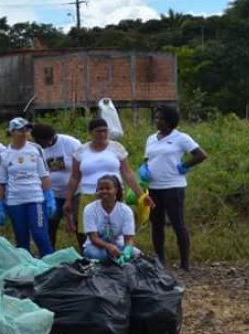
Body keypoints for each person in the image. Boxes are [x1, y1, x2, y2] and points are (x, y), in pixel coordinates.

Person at [63, 117, 152, 243]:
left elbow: (127, 174)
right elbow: (74, 177)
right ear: (90, 133)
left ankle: (118, 255)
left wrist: (141, 195)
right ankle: (90, 257)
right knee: (89, 232)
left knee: (115, 230)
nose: (103, 134)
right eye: (99, 131)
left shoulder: (116, 148)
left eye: (105, 131)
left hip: (114, 195)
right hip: (89, 195)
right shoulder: (81, 151)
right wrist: (68, 200)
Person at [141, 104, 206, 271]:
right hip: (154, 186)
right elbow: (147, 159)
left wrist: (184, 166)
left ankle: (185, 263)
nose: (158, 121)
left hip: (173, 186)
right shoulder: (151, 138)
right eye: (156, 118)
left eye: (161, 118)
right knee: (156, 224)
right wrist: (145, 169)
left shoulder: (181, 138)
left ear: (170, 121)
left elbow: (200, 155)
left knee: (178, 223)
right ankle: (160, 261)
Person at [0, 118, 54, 256]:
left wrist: (49, 196)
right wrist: (0, 203)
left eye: (26, 130)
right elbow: (1, 182)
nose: (24, 133)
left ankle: (51, 265)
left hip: (35, 198)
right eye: (20, 130)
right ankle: (26, 270)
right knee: (21, 240)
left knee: (40, 235)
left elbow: (44, 175)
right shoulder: (4, 154)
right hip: (15, 201)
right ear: (12, 132)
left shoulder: (36, 149)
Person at [30, 123, 82, 249]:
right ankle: (49, 254)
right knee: (50, 224)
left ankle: (85, 251)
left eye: (43, 142)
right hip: (51, 194)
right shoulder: (35, 149)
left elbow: (81, 169)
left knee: (79, 225)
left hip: (75, 192)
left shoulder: (71, 143)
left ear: (51, 138)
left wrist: (69, 202)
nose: (41, 145)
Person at [81, 175, 138, 263]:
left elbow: (129, 239)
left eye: (108, 188)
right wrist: (109, 247)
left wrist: (127, 252)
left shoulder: (126, 211)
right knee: (99, 255)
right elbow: (93, 238)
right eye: (101, 189)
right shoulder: (89, 209)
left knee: (136, 254)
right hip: (95, 246)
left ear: (116, 189)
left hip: (118, 245)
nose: (104, 191)